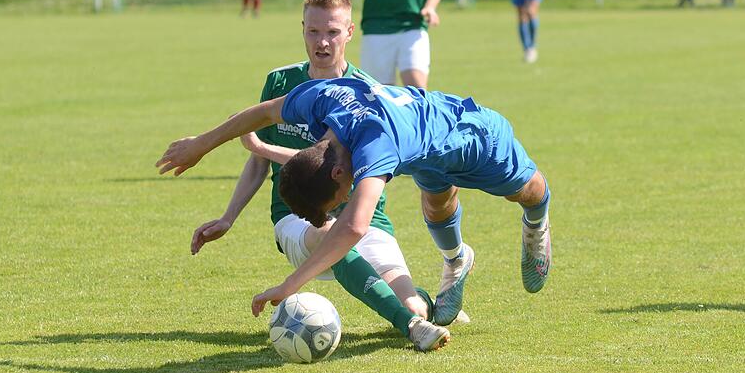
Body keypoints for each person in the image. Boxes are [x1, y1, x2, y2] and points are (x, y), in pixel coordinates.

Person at [165, 0, 449, 352]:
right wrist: (228, 217)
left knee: (415, 303)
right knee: (329, 233)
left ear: (349, 33)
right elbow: (257, 161)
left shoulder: (369, 93)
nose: (322, 42)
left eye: (332, 32)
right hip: (298, 217)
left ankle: (426, 308)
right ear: (302, 30)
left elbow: (342, 168)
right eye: (313, 32)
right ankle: (412, 328)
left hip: (363, 216)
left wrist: (265, 148)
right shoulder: (281, 83)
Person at [156, 78, 553, 327]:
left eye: (336, 201)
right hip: (423, 150)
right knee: (436, 205)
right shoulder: (324, 99)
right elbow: (262, 113)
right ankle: (456, 261)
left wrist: (288, 286)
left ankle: (537, 225)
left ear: (336, 175)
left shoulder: (374, 147)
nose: (342, 204)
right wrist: (201, 145)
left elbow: (354, 227)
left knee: (530, 191)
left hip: (473, 138)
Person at [341, 0, 445, 88]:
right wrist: (341, 13)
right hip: (375, 27)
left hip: (413, 25)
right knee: (378, 95)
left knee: (417, 90)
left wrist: (430, 6)